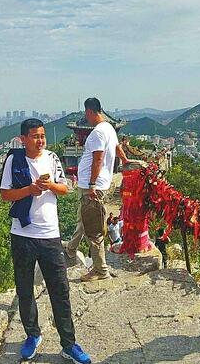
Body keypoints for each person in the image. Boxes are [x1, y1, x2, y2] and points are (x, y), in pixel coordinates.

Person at [0, 119, 92, 364]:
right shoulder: (14, 160)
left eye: (42, 135)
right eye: (35, 136)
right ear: (23, 139)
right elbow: (5, 194)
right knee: (25, 289)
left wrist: (49, 185)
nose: (40, 140)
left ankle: (69, 344)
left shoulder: (51, 157)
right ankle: (32, 335)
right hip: (22, 233)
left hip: (50, 235)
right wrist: (30, 189)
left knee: (60, 290)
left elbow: (65, 188)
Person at [65, 97, 119, 282]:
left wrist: (92, 184)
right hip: (96, 184)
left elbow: (98, 159)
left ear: (89, 111)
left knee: (93, 228)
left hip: (92, 187)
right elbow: (117, 148)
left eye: (85, 114)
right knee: (83, 217)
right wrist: (126, 161)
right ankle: (71, 248)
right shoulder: (110, 128)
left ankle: (100, 270)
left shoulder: (97, 133)